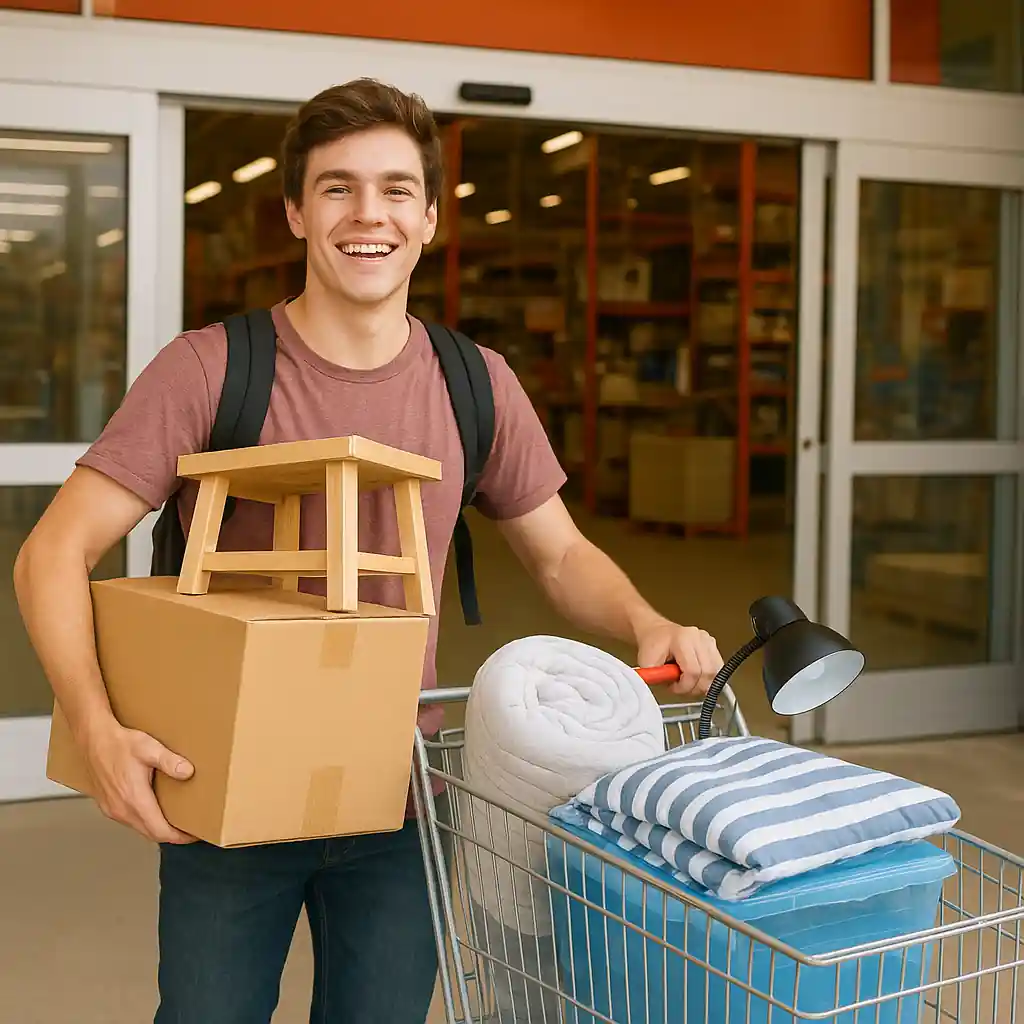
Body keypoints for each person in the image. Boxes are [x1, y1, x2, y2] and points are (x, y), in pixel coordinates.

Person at [13, 78, 724, 1023]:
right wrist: (97, 730)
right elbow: (52, 553)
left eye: (395, 189)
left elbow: (559, 556)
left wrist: (645, 619)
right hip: (226, 800)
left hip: (401, 801)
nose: (368, 214)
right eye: (338, 187)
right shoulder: (213, 370)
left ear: (429, 216)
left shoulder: (478, 383)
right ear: (296, 211)